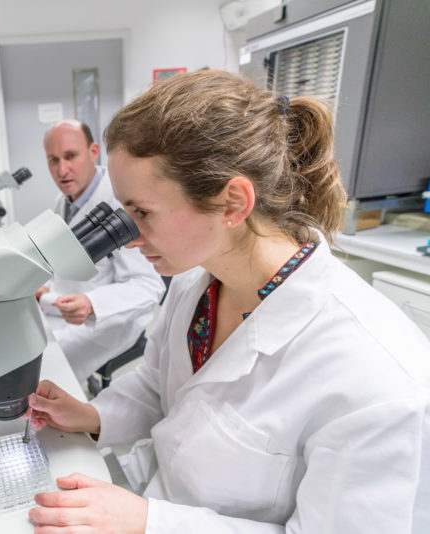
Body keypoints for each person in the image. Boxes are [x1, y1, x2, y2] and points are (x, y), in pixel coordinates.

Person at [25, 71, 430, 533]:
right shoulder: (197, 281)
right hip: (152, 492)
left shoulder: (376, 379)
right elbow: (159, 385)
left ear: (233, 203)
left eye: (143, 212)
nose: (128, 237)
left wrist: (151, 523)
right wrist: (94, 415)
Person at [36, 119, 164, 382]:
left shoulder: (119, 203)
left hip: (108, 321)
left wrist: (93, 304)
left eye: (71, 156)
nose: (63, 169)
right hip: (64, 308)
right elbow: (60, 257)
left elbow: (148, 286)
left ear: (93, 151)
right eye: (53, 160)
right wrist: (45, 285)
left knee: (43, 370)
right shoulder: (63, 201)